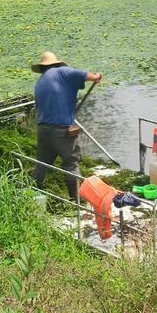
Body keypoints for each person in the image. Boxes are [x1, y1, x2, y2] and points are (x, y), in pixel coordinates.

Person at [31, 51, 102, 201]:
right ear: (56, 64)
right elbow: (82, 75)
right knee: (71, 162)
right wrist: (95, 77)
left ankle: (31, 192)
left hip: (43, 130)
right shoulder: (61, 72)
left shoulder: (40, 82)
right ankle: (76, 199)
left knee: (42, 163)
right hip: (61, 130)